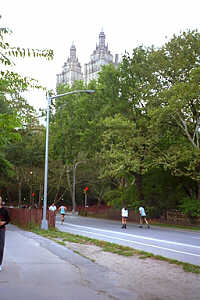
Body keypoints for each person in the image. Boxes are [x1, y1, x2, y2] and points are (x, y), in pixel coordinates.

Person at [0, 196, 10, 272]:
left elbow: (8, 219)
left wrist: (3, 222)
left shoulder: (4, 210)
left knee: (1, 247)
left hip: (1, 230)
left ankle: (0, 264)